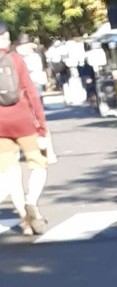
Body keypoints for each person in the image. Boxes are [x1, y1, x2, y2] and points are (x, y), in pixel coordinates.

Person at [0, 18, 52, 237]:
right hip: (23, 121)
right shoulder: (16, 59)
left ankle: (25, 220)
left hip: (0, 126)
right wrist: (41, 125)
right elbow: (31, 91)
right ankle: (32, 203)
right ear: (6, 37)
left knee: (11, 174)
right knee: (38, 164)